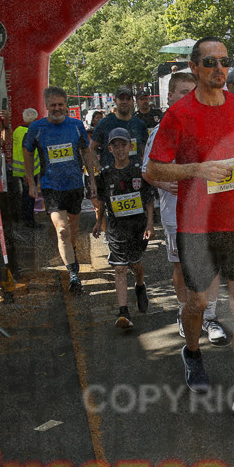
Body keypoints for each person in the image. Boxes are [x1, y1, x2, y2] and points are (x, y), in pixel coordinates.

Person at [146, 37, 234, 414]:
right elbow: (152, 169)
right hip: (196, 225)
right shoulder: (178, 114)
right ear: (194, 68)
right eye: (210, 62)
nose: (219, 69)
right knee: (198, 301)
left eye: (224, 62)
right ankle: (192, 350)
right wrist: (197, 169)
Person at [141, 72, 225, 341]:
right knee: (181, 266)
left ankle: (210, 318)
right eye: (182, 92)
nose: (189, 97)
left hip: (209, 209)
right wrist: (167, 184)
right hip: (176, 212)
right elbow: (147, 171)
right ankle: (184, 313)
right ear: (170, 96)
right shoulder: (160, 131)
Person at [23, 86, 99, 293]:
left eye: (60, 105)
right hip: (51, 186)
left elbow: (85, 151)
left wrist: (92, 181)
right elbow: (27, 151)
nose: (57, 109)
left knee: (72, 230)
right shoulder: (37, 128)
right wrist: (31, 181)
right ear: (46, 106)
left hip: (74, 185)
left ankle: (71, 255)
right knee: (62, 230)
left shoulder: (75, 126)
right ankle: (74, 275)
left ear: (66, 106)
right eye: (52, 105)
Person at [91, 128, 154, 329]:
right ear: (110, 148)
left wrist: (150, 224)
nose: (120, 149)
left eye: (123, 145)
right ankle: (123, 312)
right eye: (115, 145)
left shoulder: (139, 170)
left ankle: (140, 285)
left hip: (138, 226)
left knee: (135, 265)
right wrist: (98, 222)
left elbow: (149, 200)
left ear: (130, 146)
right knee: (120, 268)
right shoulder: (105, 174)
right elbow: (102, 201)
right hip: (116, 228)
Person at [91, 86, 149, 167]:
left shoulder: (140, 124)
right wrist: (97, 167)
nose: (124, 102)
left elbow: (147, 149)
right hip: (111, 176)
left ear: (132, 101)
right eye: (121, 99)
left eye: (127, 99)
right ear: (115, 101)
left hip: (135, 175)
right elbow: (92, 147)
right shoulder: (105, 123)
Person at [12, 107, 41, 226]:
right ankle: (29, 221)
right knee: (29, 197)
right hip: (28, 170)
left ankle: (27, 219)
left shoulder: (18, 130)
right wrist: (27, 174)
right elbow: (26, 153)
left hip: (21, 170)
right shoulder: (30, 133)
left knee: (26, 195)